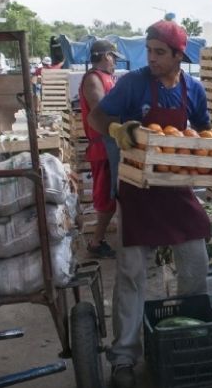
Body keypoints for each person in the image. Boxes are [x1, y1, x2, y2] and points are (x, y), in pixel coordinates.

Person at [87, 21, 211, 388]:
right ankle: (124, 357)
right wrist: (114, 129)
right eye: (149, 50)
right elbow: (96, 116)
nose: (151, 58)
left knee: (195, 260)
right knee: (130, 272)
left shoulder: (193, 89)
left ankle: (188, 335)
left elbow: (203, 130)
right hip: (137, 189)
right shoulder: (133, 83)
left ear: (178, 56)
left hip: (176, 190)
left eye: (160, 52)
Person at [79, 40, 124, 259]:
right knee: (107, 198)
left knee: (114, 195)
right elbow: (101, 111)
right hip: (104, 146)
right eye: (113, 58)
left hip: (114, 143)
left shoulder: (107, 78)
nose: (114, 62)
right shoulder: (93, 79)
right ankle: (96, 242)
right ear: (106, 56)